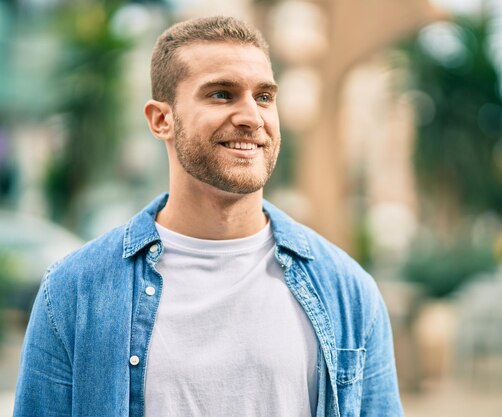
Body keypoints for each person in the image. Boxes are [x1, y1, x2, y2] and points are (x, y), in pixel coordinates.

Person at [13, 16, 403, 417]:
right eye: (221, 94)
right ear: (161, 119)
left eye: (264, 97)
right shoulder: (76, 292)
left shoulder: (347, 291)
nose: (252, 117)